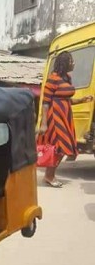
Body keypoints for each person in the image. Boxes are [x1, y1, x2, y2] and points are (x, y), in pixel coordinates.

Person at [38, 51, 93, 187]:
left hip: (65, 117)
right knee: (59, 147)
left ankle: (49, 175)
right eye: (71, 60)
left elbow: (66, 100)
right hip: (55, 118)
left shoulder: (66, 79)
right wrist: (44, 123)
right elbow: (45, 102)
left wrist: (81, 100)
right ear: (64, 63)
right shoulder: (53, 78)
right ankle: (49, 176)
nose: (73, 63)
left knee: (64, 147)